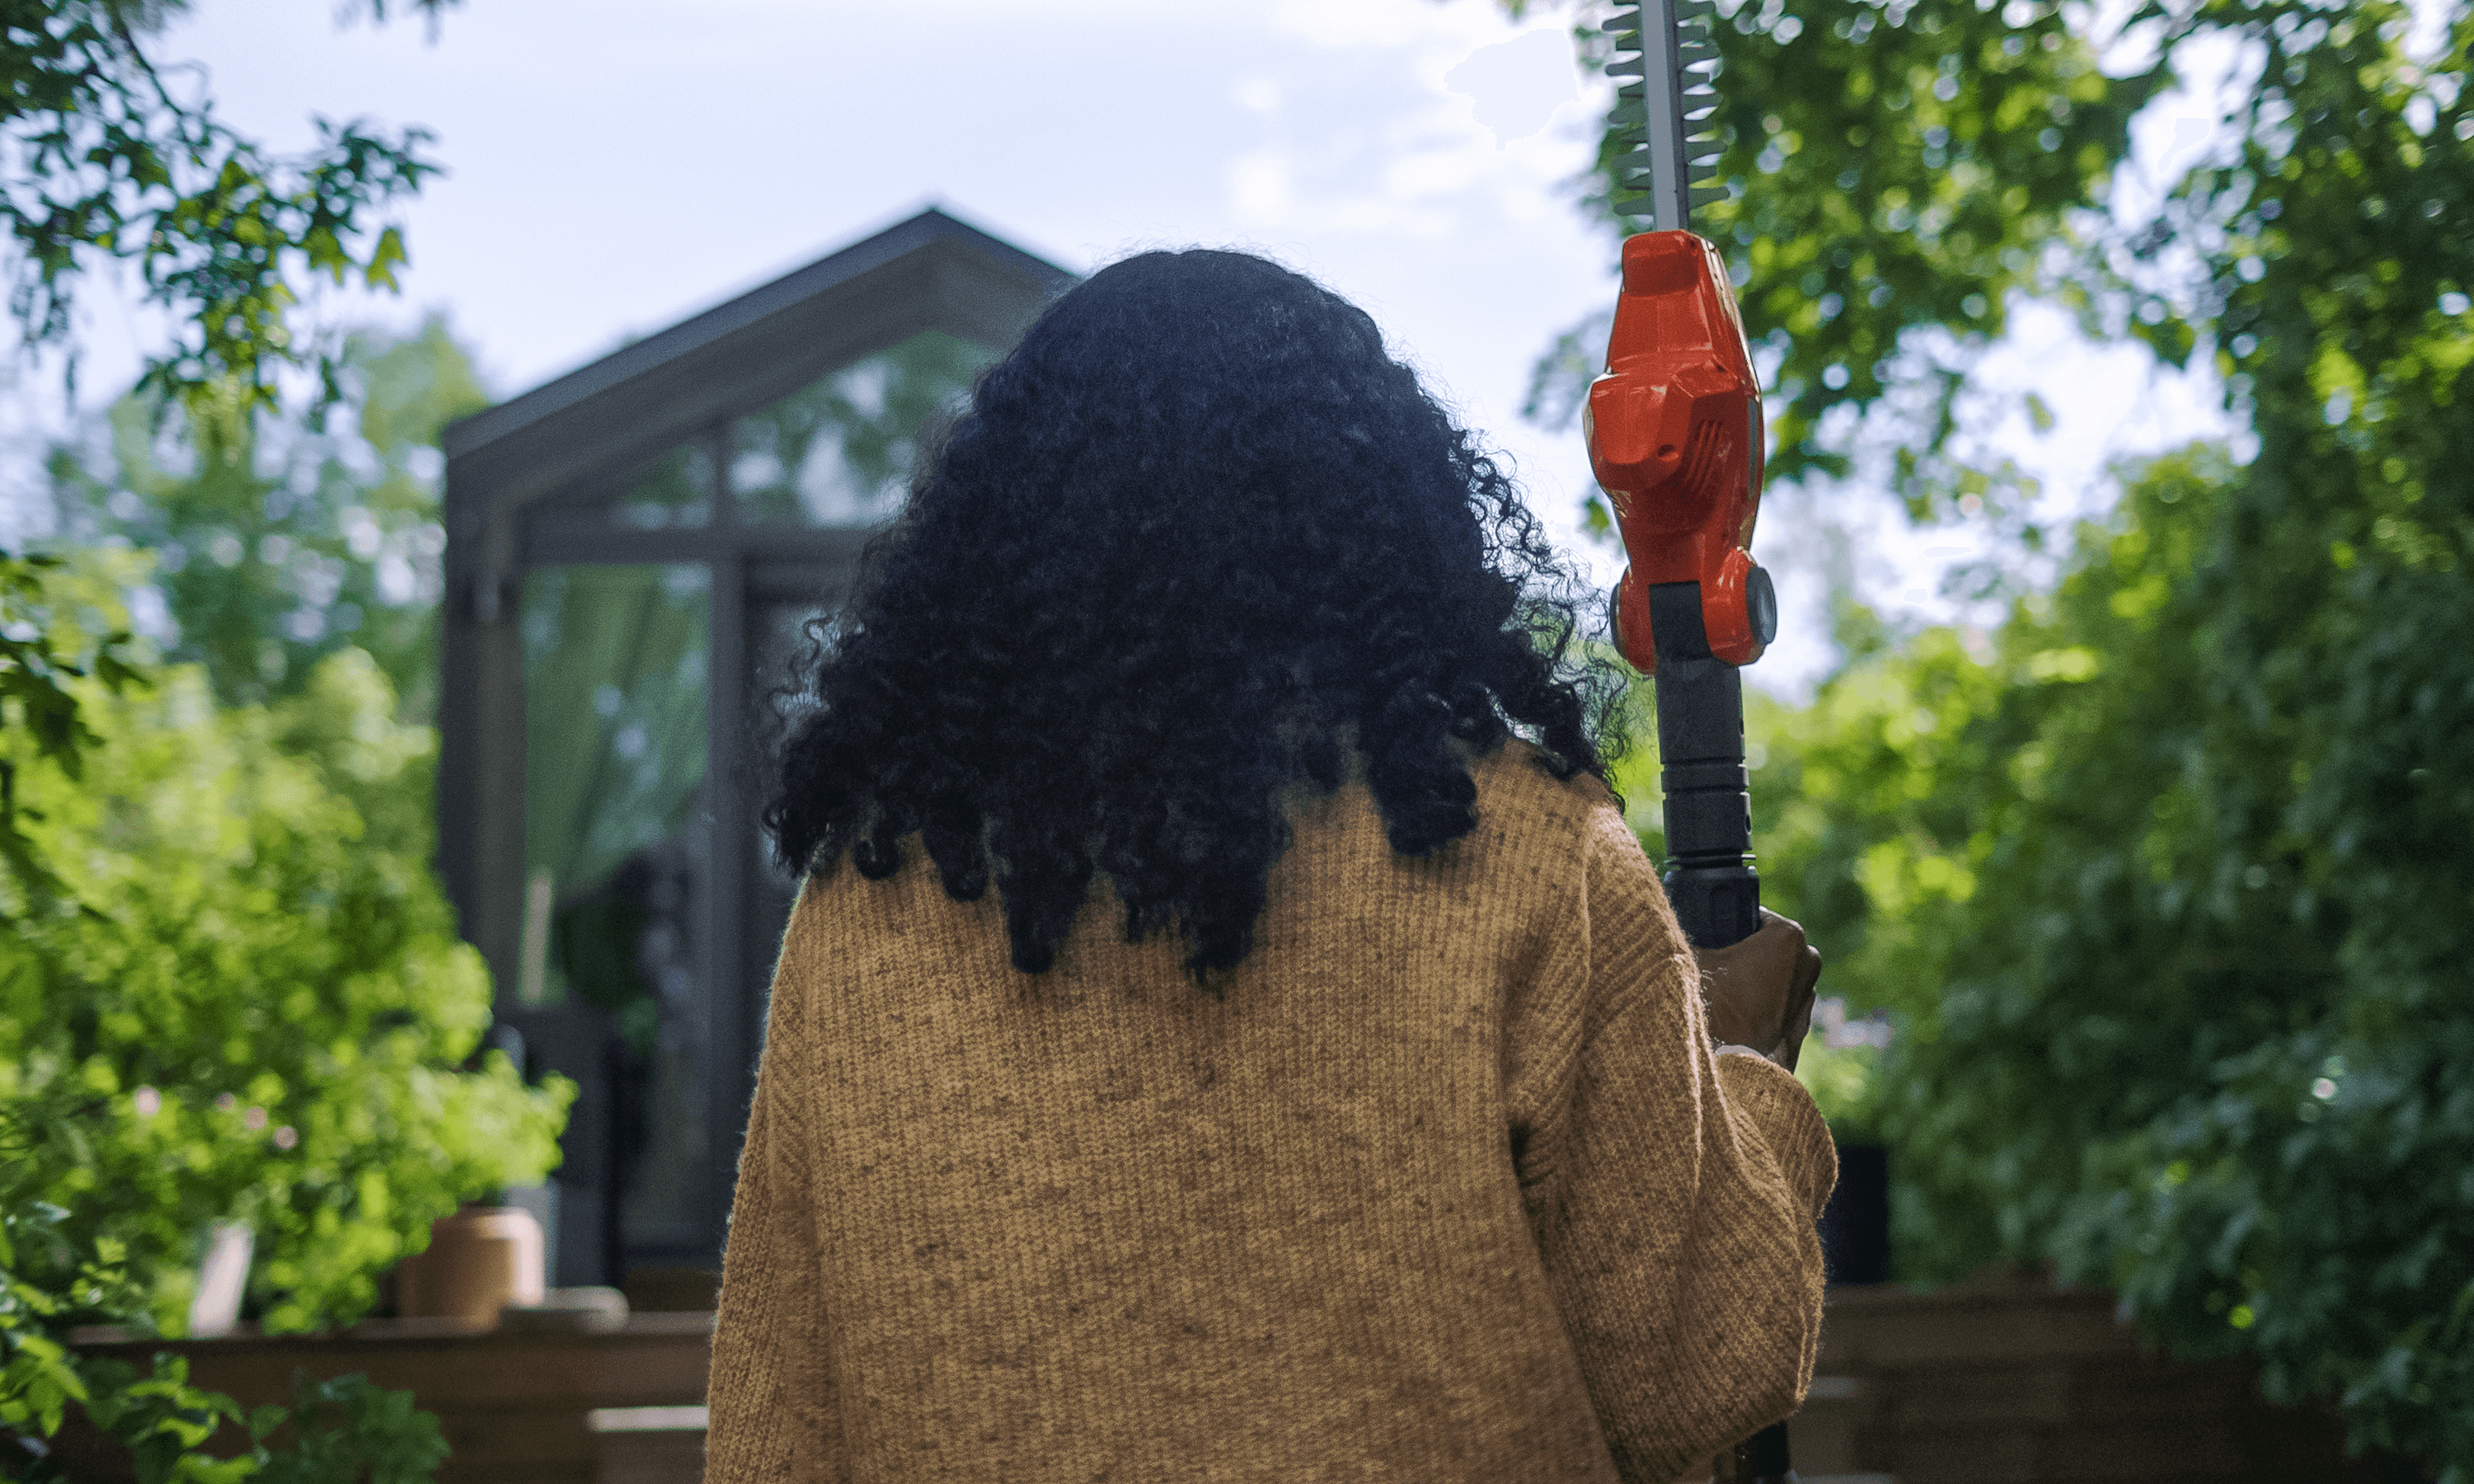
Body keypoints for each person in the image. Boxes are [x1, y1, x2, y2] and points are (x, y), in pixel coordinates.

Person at [702, 248, 1835, 1484]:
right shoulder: (1522, 851)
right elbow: (1685, 1379)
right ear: (1381, 517)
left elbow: (773, 1435)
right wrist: (1744, 1075)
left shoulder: (867, 905)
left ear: (999, 541)